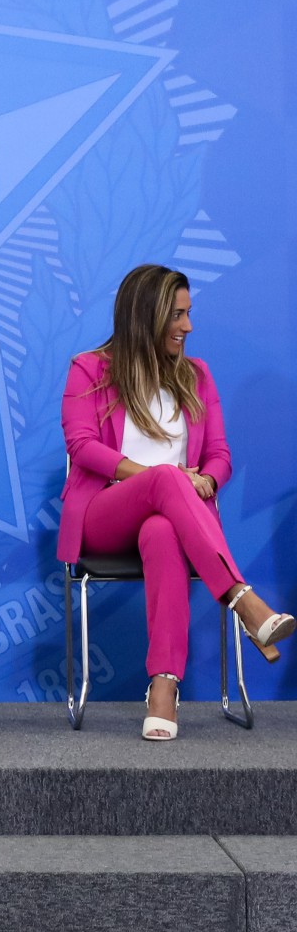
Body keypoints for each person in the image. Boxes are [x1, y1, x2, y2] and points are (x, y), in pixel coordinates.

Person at [59, 263, 293, 741]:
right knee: (167, 480)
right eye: (177, 316)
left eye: (189, 314)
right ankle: (244, 603)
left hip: (169, 521)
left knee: (163, 530)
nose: (188, 327)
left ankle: (163, 689)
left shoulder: (197, 375)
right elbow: (81, 446)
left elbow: (220, 456)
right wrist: (166, 479)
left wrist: (204, 478)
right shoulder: (90, 368)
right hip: (105, 515)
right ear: (146, 315)